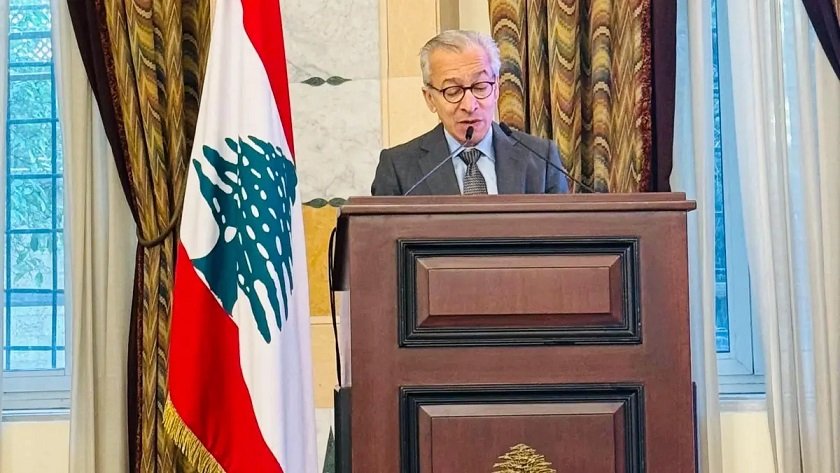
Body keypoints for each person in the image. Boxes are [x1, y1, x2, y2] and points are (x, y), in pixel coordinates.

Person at [370, 29, 569, 196]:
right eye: (453, 91)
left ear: (496, 89)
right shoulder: (398, 168)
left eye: (480, 87)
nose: (469, 105)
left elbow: (563, 230)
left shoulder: (541, 158)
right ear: (430, 98)